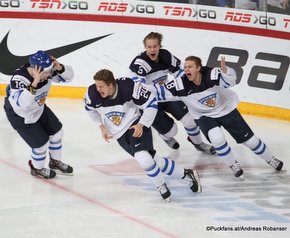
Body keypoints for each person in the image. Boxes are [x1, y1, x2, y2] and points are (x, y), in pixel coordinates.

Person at [155, 55, 284, 177]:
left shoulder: (212, 74)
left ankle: (271, 159)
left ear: (199, 68)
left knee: (251, 141)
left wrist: (226, 71)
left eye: (190, 66)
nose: (186, 69)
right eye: (185, 67)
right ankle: (233, 164)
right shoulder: (180, 84)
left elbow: (231, 82)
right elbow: (160, 93)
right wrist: (138, 89)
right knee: (217, 139)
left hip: (225, 109)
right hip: (204, 116)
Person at [84, 69, 202, 201]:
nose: (97, 89)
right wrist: (101, 126)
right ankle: (186, 174)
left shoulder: (128, 87)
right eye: (96, 85)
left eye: (101, 86)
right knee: (153, 159)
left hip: (135, 123)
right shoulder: (92, 93)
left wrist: (142, 124)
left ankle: (160, 186)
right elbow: (89, 109)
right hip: (118, 134)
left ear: (110, 84)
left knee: (143, 159)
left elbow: (151, 103)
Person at [128, 32, 215, 154]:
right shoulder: (140, 64)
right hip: (149, 102)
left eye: (155, 46)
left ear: (159, 46)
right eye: (149, 47)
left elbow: (181, 72)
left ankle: (198, 143)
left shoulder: (166, 55)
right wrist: (161, 92)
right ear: (145, 47)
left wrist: (186, 86)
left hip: (166, 94)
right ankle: (165, 136)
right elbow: (139, 88)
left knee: (190, 119)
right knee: (172, 131)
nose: (152, 49)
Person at [3, 50, 74, 179]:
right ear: (36, 70)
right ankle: (37, 169)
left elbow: (68, 78)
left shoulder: (46, 71)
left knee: (57, 133)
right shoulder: (19, 79)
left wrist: (60, 67)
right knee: (41, 145)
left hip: (38, 107)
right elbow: (23, 104)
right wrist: (35, 82)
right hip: (20, 114)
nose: (48, 76)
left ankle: (55, 162)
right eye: (46, 73)